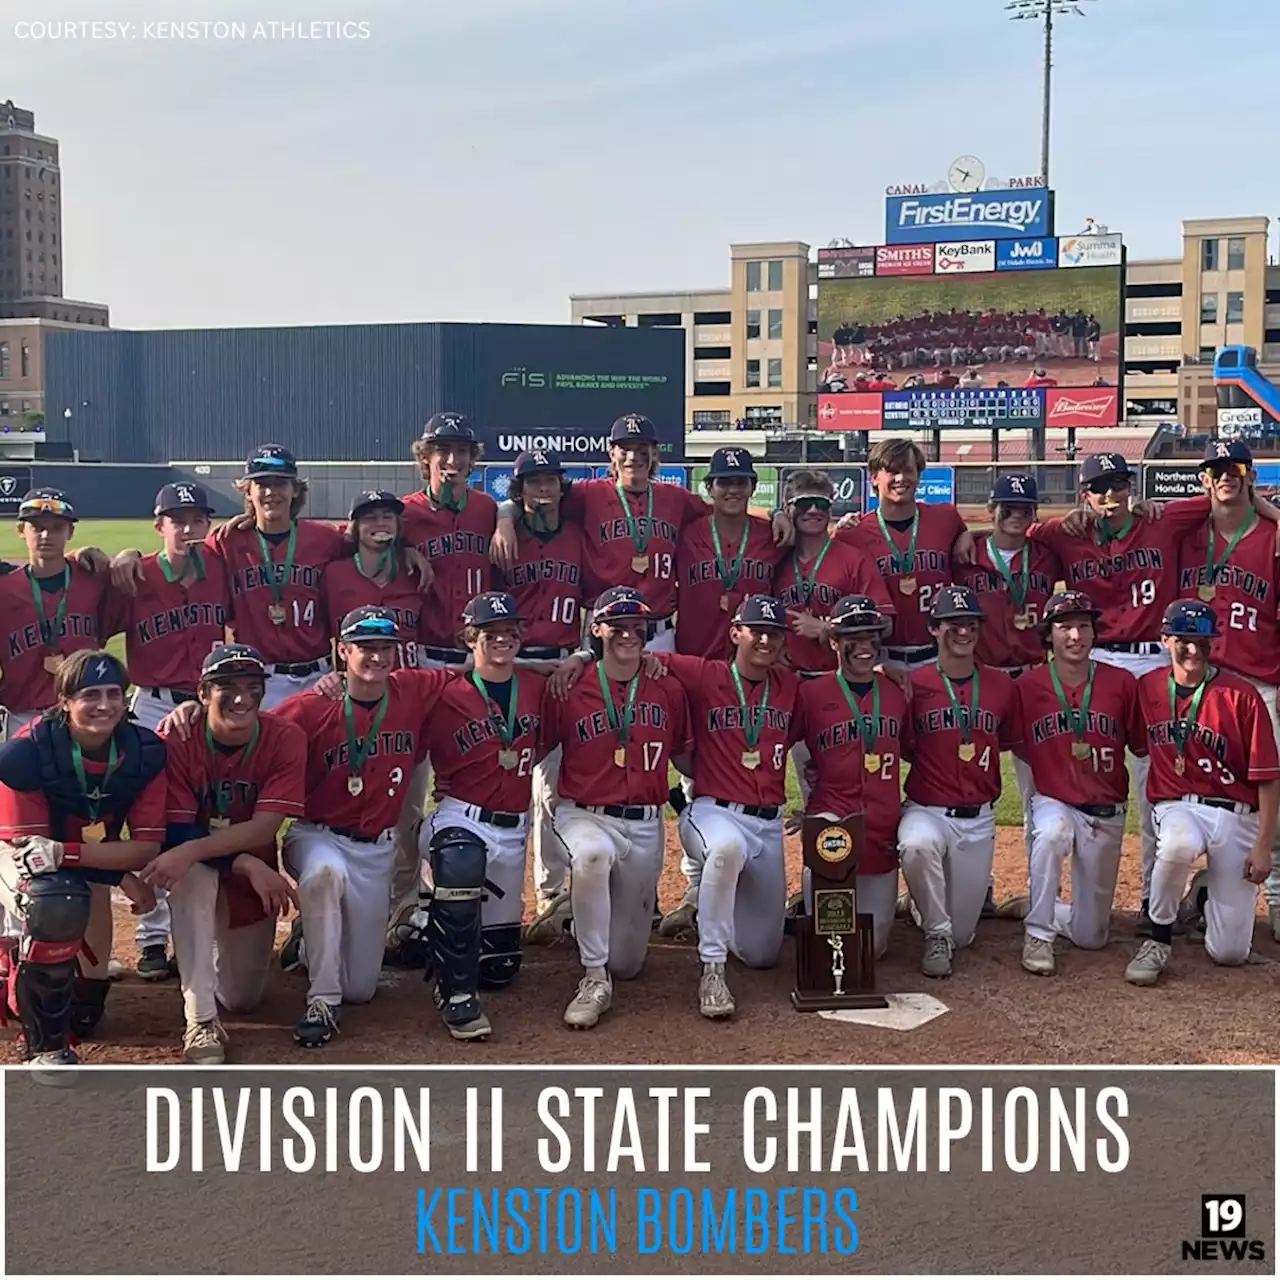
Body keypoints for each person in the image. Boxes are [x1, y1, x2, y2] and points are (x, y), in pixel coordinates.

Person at [1028, 452, 1253, 932]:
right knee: (1075, 774)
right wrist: (972, 537)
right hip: (1100, 661)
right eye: (1099, 488)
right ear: (1084, 495)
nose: (1111, 496)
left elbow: (1233, 499)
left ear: (1132, 487)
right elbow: (1020, 531)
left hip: (1157, 660)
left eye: (1118, 485)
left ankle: (1155, 904)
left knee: (1159, 786)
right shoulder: (1068, 532)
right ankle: (1043, 902)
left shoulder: (1163, 517)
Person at [270, 607, 456, 1046]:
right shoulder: (313, 706)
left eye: (385, 647)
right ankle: (321, 1000)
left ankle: (307, 941)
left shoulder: (412, 689)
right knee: (323, 876)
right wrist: (189, 716)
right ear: (343, 651)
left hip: (376, 850)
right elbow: (251, 731)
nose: (377, 657)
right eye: (365, 648)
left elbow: (482, 667)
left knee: (361, 989)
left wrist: (575, 659)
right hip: (316, 834)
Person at [491, 413, 790, 654]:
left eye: (641, 449)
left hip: (657, 629)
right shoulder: (587, 494)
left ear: (654, 453)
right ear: (612, 453)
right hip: (605, 626)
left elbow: (727, 507)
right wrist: (505, 519)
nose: (633, 456)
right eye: (625, 448)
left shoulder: (675, 498)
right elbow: (537, 497)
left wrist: (775, 512)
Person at [0, 651, 166, 1077]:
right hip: (14, 846)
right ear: (64, 700)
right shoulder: (27, 752)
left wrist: (113, 869)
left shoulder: (144, 750)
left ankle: (72, 991)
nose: (105, 705)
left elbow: (145, 848)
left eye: (114, 693)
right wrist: (115, 870)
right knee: (54, 897)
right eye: (90, 694)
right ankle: (44, 1043)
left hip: (71, 854)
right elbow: (33, 851)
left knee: (86, 1013)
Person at [139, 645, 304, 1063]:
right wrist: (243, 861)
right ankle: (200, 1020)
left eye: (252, 687)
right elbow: (177, 831)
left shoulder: (284, 737)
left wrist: (245, 862)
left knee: (243, 999)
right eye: (226, 687)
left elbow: (266, 826)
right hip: (217, 864)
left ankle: (213, 951)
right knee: (190, 875)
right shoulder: (177, 738)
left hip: (250, 871)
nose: (241, 697)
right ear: (202, 692)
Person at [540, 587, 692, 1029]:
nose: (628, 634)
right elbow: (533, 742)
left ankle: (581, 919)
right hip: (584, 813)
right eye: (617, 626)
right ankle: (592, 978)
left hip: (644, 823)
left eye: (637, 627)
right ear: (597, 629)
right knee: (591, 856)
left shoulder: (667, 686)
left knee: (627, 963)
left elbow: (684, 756)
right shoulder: (570, 684)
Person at [409, 592, 558, 1041]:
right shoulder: (443, 690)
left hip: (512, 828)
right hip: (460, 816)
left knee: (499, 969)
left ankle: (427, 930)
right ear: (470, 639)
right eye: (490, 633)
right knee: (459, 863)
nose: (502, 640)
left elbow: (547, 740)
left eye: (510, 633)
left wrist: (581, 656)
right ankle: (454, 996)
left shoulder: (535, 687)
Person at [101, 481, 233, 982]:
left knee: (203, 811)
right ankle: (152, 935)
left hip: (208, 705)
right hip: (153, 705)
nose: (187, 527)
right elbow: (91, 625)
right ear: (159, 527)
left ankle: (198, 934)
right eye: (177, 519)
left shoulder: (220, 571)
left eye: (197, 519)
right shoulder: (136, 576)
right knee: (147, 816)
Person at [649, 595, 798, 1018]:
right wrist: (583, 655)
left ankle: (718, 910)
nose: (766, 640)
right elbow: (632, 655)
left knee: (762, 953)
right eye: (757, 631)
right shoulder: (705, 673)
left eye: (774, 633)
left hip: (768, 824)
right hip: (714, 811)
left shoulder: (789, 687)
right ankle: (711, 967)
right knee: (726, 850)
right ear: (736, 633)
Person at [1126, 599, 1277, 986]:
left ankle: (1202, 898)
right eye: (1184, 641)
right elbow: (1137, 745)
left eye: (1203, 642)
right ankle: (1158, 938)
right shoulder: (1147, 688)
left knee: (1229, 954)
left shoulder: (1242, 696)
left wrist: (1263, 846)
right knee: (1177, 844)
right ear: (1165, 640)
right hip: (1179, 805)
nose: (1194, 651)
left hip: (1236, 814)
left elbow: (1267, 777)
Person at [1174, 440, 1280, 940]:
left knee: (1269, 789)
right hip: (1201, 681)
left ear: (1249, 475)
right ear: (1204, 479)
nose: (1226, 477)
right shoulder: (1187, 535)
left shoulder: (1273, 537)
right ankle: (1185, 896)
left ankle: (1276, 895)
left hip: (1259, 681)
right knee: (1191, 787)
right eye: (1216, 469)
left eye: (1235, 467)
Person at [1011, 592, 1143, 975]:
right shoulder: (1027, 686)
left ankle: (1044, 908)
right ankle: (1038, 932)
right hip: (1055, 800)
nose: (1075, 635)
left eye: (1083, 626)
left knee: (1091, 936)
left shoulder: (1121, 682)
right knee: (1051, 833)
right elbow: (1020, 746)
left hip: (1105, 808)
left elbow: (1137, 741)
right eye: (1064, 626)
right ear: (1048, 635)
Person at [897, 586, 1018, 979]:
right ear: (933, 629)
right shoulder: (913, 684)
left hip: (978, 818)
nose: (963, 632)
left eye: (970, 624)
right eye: (952, 624)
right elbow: (901, 745)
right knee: (915, 845)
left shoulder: (1002, 686)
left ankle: (920, 905)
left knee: (963, 935)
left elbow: (1007, 739)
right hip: (927, 808)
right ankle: (934, 932)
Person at [491, 450, 586, 947]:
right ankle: (491, 897)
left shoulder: (576, 533)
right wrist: (505, 520)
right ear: (519, 489)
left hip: (564, 666)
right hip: (517, 667)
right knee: (503, 785)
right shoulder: (503, 533)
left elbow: (597, 599)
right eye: (533, 482)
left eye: (550, 480)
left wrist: (584, 654)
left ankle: (551, 895)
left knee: (553, 788)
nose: (543, 489)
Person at [958, 472, 1061, 915]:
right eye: (1008, 510)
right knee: (969, 787)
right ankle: (973, 889)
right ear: (991, 512)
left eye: (1025, 510)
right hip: (981, 680)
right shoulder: (964, 555)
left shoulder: (1046, 557)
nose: (1016, 517)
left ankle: (1041, 895)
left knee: (1037, 794)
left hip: (1032, 678)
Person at [792, 593, 911, 960]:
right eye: (852, 639)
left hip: (882, 830)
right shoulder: (810, 694)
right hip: (833, 814)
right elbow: (772, 743)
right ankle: (813, 905)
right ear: (834, 643)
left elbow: (920, 749)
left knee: (869, 951)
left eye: (871, 638)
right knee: (833, 946)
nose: (864, 647)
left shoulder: (898, 691)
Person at [836, 438, 972, 673]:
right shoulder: (852, 534)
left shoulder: (947, 518)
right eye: (892, 471)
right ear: (874, 478)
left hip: (937, 654)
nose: (901, 478)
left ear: (918, 475)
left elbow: (1001, 537)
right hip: (880, 659)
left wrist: (969, 533)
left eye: (908, 470)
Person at [0, 490, 117, 742]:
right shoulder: (4, 588)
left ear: (70, 533)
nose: (45, 536)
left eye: (55, 528)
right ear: (21, 531)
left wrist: (131, 555)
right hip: (24, 714)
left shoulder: (94, 577)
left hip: (84, 712)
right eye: (37, 527)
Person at [320, 490, 424, 671]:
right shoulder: (334, 575)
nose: (380, 523)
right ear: (356, 527)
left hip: (409, 685)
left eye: (387, 517)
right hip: (356, 686)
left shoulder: (414, 571)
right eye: (369, 518)